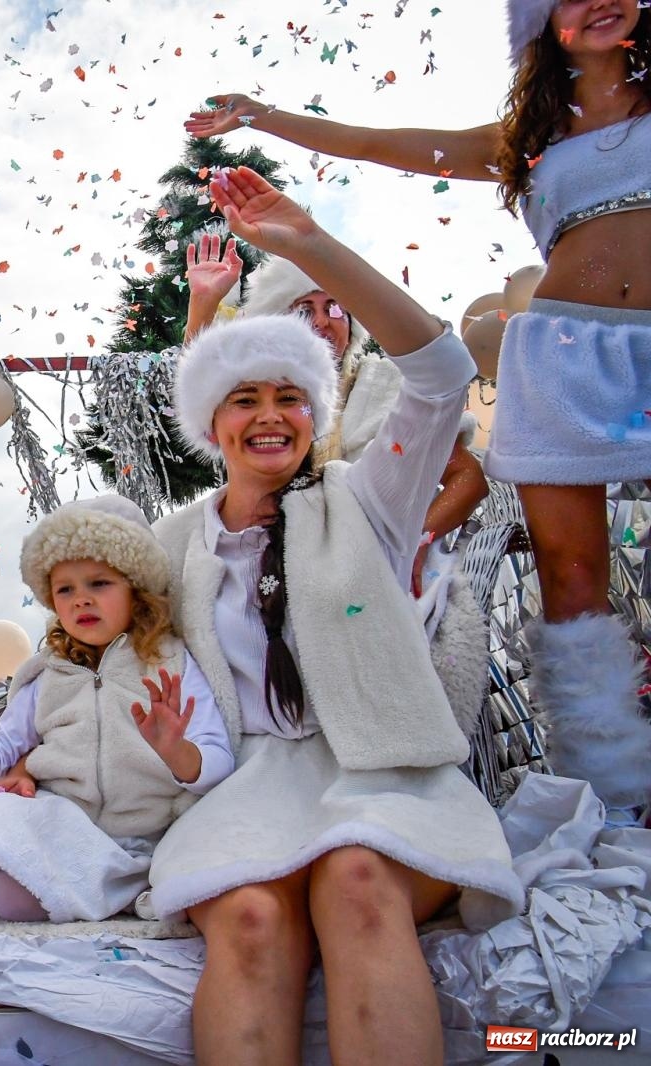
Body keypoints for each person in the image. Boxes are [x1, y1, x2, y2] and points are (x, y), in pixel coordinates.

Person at [183, 0, 651, 825]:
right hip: (567, 358)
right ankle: (614, 797)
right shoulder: (526, 138)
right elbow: (370, 142)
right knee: (572, 581)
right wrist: (263, 116)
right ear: (542, 23)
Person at [147, 166, 523, 1066]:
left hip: (388, 781)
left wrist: (307, 244)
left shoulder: (370, 502)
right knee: (246, 913)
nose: (272, 416)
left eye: (291, 397)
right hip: (246, 793)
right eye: (246, 398)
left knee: (356, 879)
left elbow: (437, 374)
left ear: (319, 409)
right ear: (212, 421)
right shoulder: (172, 545)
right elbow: (90, 653)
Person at [0, 495, 234, 923]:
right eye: (66, 589)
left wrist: (177, 751)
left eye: (99, 583)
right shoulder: (48, 673)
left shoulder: (171, 662)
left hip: (131, 844)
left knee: (16, 902)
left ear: (135, 589)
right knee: (2, 823)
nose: (81, 600)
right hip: (53, 819)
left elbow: (219, 760)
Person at [182, 236, 490, 598]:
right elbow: (206, 390)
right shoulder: (267, 406)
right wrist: (203, 303)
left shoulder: (387, 387)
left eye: (335, 308)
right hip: (276, 575)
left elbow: (468, 478)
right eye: (303, 310)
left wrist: (413, 543)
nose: (322, 321)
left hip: (379, 583)